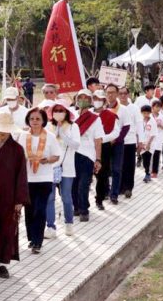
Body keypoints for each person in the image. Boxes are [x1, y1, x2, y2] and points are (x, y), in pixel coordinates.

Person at [0, 112, 29, 279]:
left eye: (5, 130)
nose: (1, 133)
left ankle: (4, 262)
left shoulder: (17, 150)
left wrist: (19, 200)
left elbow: (22, 175)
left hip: (9, 197)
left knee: (7, 228)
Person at [18, 109, 61, 254]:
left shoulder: (50, 136)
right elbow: (18, 156)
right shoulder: (23, 136)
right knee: (29, 209)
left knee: (40, 209)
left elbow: (56, 156)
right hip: (27, 178)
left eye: (37, 119)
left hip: (44, 178)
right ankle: (31, 238)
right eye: (32, 119)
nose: (34, 121)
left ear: (43, 120)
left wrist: (47, 160)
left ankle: (38, 241)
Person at [45, 103, 78, 238]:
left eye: (61, 110)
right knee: (50, 198)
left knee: (66, 197)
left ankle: (69, 223)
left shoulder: (73, 126)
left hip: (67, 166)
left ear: (66, 112)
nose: (58, 112)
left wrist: (62, 135)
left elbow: (76, 145)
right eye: (56, 110)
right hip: (51, 166)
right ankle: (51, 227)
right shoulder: (48, 126)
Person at [72, 89, 103, 225]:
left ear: (90, 101)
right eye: (80, 97)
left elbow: (98, 140)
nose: (82, 100)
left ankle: (84, 210)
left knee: (83, 184)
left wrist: (98, 159)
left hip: (87, 156)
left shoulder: (95, 118)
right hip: (71, 154)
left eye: (86, 98)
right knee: (73, 184)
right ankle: (77, 207)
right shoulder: (72, 116)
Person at [92, 89, 122, 210]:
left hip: (103, 147)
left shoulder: (110, 115)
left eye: (100, 99)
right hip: (87, 147)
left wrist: (100, 139)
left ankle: (99, 199)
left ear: (104, 101)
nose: (97, 102)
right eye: (95, 99)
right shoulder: (87, 113)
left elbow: (116, 132)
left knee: (102, 175)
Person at [117, 86, 139, 199]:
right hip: (118, 141)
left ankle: (128, 188)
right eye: (120, 93)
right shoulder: (115, 107)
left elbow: (139, 124)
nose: (123, 96)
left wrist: (141, 141)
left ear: (128, 95)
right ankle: (120, 187)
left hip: (130, 141)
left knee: (130, 166)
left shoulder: (134, 108)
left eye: (125, 93)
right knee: (119, 165)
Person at [136, 104, 157, 183]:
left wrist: (148, 144)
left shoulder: (152, 121)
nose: (146, 115)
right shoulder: (140, 121)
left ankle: (147, 174)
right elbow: (138, 132)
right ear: (142, 113)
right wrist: (138, 142)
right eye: (144, 113)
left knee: (148, 158)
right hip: (142, 142)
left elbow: (153, 134)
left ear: (150, 113)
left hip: (150, 143)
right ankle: (146, 171)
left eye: (147, 113)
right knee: (144, 159)